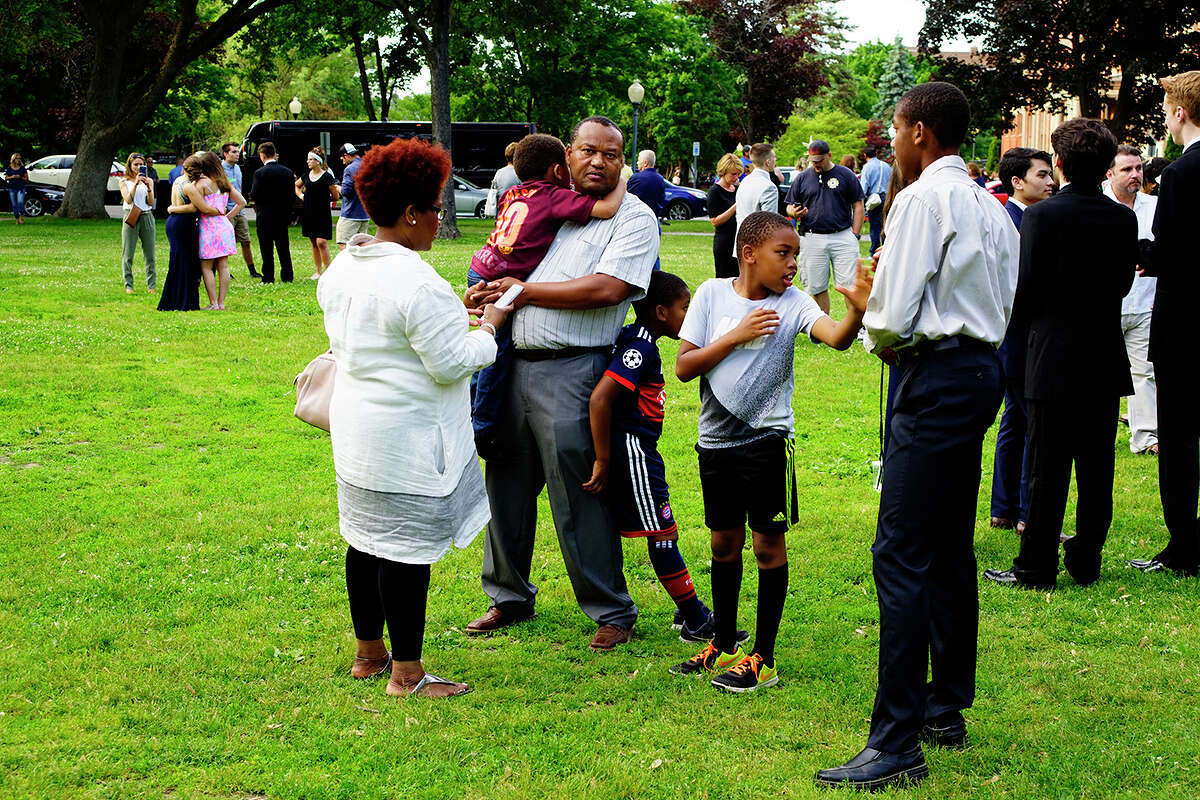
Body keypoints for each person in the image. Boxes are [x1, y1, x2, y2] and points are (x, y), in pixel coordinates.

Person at [816, 82, 1018, 791]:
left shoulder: (921, 201)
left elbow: (894, 317)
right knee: (947, 543)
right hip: (977, 373)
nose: (891, 144)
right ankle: (943, 706)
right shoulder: (993, 208)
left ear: (921, 133)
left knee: (901, 552)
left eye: (896, 131)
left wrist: (869, 312)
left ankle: (896, 739)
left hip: (931, 378)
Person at [318, 136, 510, 699]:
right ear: (410, 213)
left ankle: (368, 654)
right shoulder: (418, 281)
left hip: (356, 431)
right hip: (406, 439)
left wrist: (458, 314)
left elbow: (393, 333)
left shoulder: (345, 267)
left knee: (364, 539)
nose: (438, 219)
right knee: (404, 551)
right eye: (435, 208)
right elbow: (453, 362)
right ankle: (407, 673)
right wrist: (491, 324)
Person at [462, 115, 658, 651]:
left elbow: (610, 288)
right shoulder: (541, 202)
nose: (598, 161)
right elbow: (503, 263)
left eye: (612, 154)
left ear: (624, 161)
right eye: (588, 151)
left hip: (576, 370)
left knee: (581, 492)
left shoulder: (633, 217)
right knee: (504, 484)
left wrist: (522, 292)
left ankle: (610, 608)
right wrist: (484, 294)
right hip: (507, 364)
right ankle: (508, 596)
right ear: (567, 155)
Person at [670, 211, 871, 692]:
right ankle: (722, 642)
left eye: (796, 255)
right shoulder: (711, 295)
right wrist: (736, 335)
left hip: (767, 441)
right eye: (784, 253)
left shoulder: (795, 303)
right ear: (748, 254)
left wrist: (857, 312)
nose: (793, 265)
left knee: (765, 545)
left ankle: (764, 657)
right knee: (722, 542)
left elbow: (837, 339)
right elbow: (683, 367)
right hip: (714, 443)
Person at [983, 119, 1136, 591]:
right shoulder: (1122, 218)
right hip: (1103, 353)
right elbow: (1124, 283)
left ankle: (1035, 566)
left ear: (1063, 164)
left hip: (1051, 353)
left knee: (1046, 467)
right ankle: (1087, 555)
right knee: (1096, 468)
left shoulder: (1043, 218)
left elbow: (1025, 289)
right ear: (1106, 166)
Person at [584, 270, 738, 643]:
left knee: (662, 531)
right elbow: (601, 398)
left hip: (641, 449)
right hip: (634, 451)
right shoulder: (641, 347)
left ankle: (690, 608)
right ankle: (694, 619)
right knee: (662, 533)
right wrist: (604, 458)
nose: (690, 315)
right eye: (685, 308)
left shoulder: (639, 339)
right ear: (661, 312)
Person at [466, 132, 625, 459]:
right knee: (497, 353)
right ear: (557, 169)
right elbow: (607, 209)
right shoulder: (553, 195)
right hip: (502, 280)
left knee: (485, 346)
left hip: (481, 267)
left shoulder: (514, 192)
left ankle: (468, 408)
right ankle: (480, 427)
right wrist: (622, 179)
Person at [1128, 70, 1200, 577]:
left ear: (1179, 112)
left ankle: (1184, 545)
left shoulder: (1180, 173)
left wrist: (1139, 252)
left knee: (1178, 438)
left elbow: (1172, 251)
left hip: (1187, 324)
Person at [988, 147, 1055, 532]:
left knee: (1015, 420)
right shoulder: (1011, 221)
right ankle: (1028, 513)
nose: (1050, 182)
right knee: (1032, 422)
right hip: (1019, 336)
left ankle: (1004, 507)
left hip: (1021, 336)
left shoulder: (1029, 217)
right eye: (1042, 175)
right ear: (1018, 181)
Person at [1104, 145, 1159, 455]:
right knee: (1101, 375)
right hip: (1107, 306)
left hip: (1143, 303)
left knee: (1144, 372)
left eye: (1138, 168)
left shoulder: (1154, 206)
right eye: (1127, 169)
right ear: (1109, 173)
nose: (1135, 174)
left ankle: (1146, 437)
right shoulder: (1098, 204)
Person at [785, 139, 865, 315]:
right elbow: (789, 206)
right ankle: (824, 328)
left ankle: (855, 327)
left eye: (820, 160)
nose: (816, 164)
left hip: (842, 236)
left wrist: (855, 234)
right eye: (813, 160)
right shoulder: (803, 178)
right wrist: (794, 212)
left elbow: (858, 204)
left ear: (829, 155)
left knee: (849, 285)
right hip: (812, 237)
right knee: (816, 286)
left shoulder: (846, 175)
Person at [158, 156, 222, 312]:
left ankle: (173, 299)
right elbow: (199, 208)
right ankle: (184, 302)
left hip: (174, 222)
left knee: (178, 261)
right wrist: (219, 211)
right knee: (186, 262)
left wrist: (172, 208)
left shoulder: (178, 181)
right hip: (183, 224)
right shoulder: (189, 187)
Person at [195, 152, 245, 310]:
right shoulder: (224, 183)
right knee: (223, 266)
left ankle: (213, 303)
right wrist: (227, 217)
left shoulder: (202, 184)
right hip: (223, 226)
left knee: (207, 266)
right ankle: (222, 302)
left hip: (208, 226)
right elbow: (242, 202)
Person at [250, 141, 295, 283]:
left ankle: (268, 277)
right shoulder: (287, 172)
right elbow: (291, 196)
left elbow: (254, 194)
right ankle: (287, 275)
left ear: (262, 156)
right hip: (282, 215)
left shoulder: (259, 173)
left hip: (265, 215)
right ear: (274, 154)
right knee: (283, 247)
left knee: (266, 248)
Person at [295, 146, 340, 279]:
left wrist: (326, 199)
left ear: (318, 161)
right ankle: (318, 271)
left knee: (322, 242)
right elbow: (296, 186)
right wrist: (302, 196)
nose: (308, 162)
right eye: (307, 159)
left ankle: (328, 271)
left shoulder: (326, 177)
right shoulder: (306, 175)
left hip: (322, 212)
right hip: (308, 212)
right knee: (314, 242)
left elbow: (335, 195)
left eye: (310, 159)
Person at [119, 152, 156, 295]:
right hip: (131, 215)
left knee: (150, 254)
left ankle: (151, 285)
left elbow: (151, 202)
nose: (138, 167)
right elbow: (128, 199)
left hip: (146, 215)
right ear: (129, 165)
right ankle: (129, 285)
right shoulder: (124, 181)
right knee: (128, 253)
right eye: (136, 164)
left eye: (141, 165)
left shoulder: (149, 181)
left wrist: (148, 187)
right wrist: (135, 184)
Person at [221, 143, 260, 279]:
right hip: (227, 211)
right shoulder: (220, 169)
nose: (237, 154)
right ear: (225, 154)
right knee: (225, 243)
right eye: (234, 152)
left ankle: (252, 271)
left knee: (246, 241)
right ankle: (224, 271)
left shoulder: (237, 168)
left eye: (238, 152)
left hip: (240, 211)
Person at [733, 143, 778, 252]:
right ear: (768, 162)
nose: (776, 160)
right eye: (774, 158)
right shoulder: (769, 187)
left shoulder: (744, 182)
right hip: (759, 248)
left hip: (741, 245)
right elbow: (770, 224)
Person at [706, 153, 741, 278]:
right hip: (724, 242)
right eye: (733, 174)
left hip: (738, 241)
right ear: (723, 172)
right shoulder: (714, 192)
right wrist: (735, 207)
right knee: (724, 280)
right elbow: (714, 221)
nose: (736, 177)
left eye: (738, 174)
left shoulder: (737, 189)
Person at [859, 145, 892, 255]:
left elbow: (863, 187)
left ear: (865, 155)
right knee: (886, 225)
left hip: (874, 199)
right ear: (876, 153)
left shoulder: (867, 167)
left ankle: (874, 252)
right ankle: (886, 250)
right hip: (887, 197)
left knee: (874, 226)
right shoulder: (886, 166)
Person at [336, 142, 369, 250]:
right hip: (364, 215)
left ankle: (348, 267)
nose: (343, 162)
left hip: (350, 215)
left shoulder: (349, 169)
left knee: (344, 245)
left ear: (346, 155)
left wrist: (337, 188)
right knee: (360, 247)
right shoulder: (367, 165)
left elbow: (346, 192)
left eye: (342, 159)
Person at [627, 149, 668, 216]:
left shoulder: (635, 178)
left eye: (639, 160)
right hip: (653, 217)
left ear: (645, 163)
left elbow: (627, 197)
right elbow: (661, 199)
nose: (637, 162)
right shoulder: (660, 179)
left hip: (637, 216)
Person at [487, 141, 521, 214]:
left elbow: (494, 190)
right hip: (515, 211)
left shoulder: (499, 172)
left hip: (501, 211)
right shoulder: (519, 173)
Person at [5, 153, 27, 224]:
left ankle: (22, 216)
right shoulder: (9, 168)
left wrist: (20, 177)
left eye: (19, 158)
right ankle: (17, 220)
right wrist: (12, 177)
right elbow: (6, 177)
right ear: (13, 159)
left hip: (21, 188)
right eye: (17, 158)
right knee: (14, 205)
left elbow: (26, 178)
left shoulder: (22, 168)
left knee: (20, 202)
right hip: (12, 188)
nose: (19, 160)